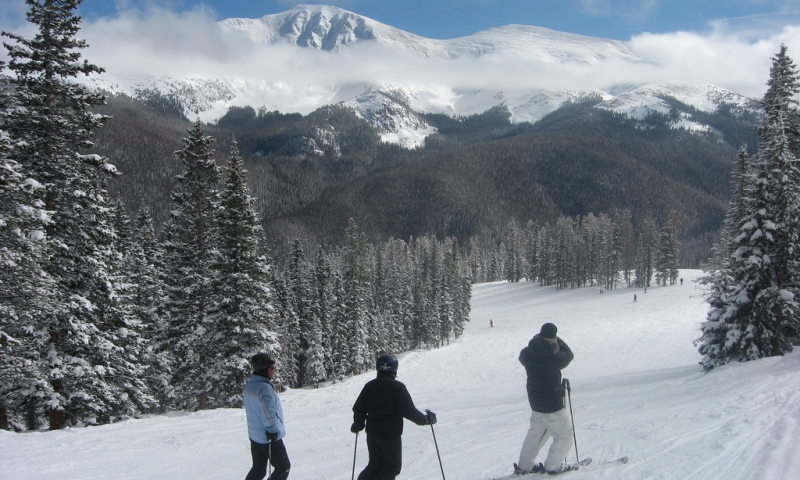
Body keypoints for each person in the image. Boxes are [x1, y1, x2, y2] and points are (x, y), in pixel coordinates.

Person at [351, 354, 437, 480]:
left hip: (373, 434)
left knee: (374, 465)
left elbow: (359, 408)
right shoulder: (397, 387)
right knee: (391, 468)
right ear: (394, 369)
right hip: (390, 434)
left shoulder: (369, 386)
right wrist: (425, 419)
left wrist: (358, 425)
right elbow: (408, 411)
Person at [514, 323, 575, 475]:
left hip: (536, 401)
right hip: (552, 404)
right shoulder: (553, 357)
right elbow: (569, 355)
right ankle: (553, 466)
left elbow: (523, 356)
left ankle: (524, 466)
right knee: (565, 435)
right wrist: (557, 341)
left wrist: (540, 340)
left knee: (536, 434)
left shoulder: (528, 353)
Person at [243, 353, 291, 480]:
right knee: (283, 467)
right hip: (267, 436)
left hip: (255, 435)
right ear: (263, 370)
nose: (274, 370)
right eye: (271, 368)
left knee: (258, 469)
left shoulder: (250, 385)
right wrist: (271, 431)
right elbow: (267, 413)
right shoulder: (264, 388)